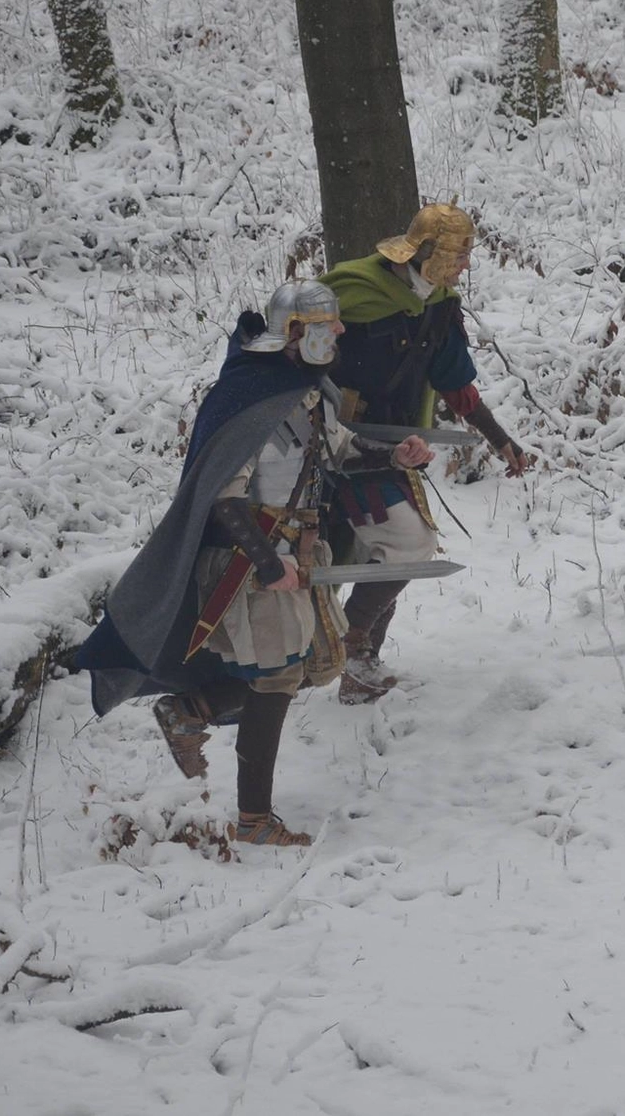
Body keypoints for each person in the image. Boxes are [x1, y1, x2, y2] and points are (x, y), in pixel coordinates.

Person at [75, 281, 433, 848]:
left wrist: (393, 455)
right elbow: (225, 493)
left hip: (300, 552)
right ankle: (255, 820)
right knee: (279, 677)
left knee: (324, 661)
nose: (340, 332)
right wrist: (268, 564)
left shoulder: (307, 388)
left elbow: (336, 449)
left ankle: (192, 710)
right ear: (296, 332)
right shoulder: (245, 397)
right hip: (253, 559)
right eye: (328, 323)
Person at [317, 202, 530, 704]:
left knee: (389, 554)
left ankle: (359, 666)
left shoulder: (438, 304)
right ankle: (343, 651)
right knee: (392, 548)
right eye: (459, 254)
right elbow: (296, 358)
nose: (466, 265)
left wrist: (499, 438)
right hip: (330, 446)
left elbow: (455, 384)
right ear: (428, 252)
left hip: (397, 448)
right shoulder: (348, 294)